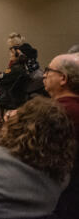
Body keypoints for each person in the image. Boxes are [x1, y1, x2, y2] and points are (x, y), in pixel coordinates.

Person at [43, 54, 79, 219]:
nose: (44, 75)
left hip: (56, 197)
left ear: (63, 78)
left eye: (49, 70)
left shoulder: (58, 113)